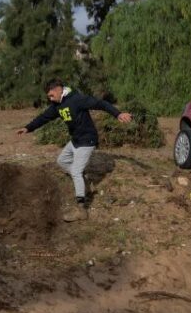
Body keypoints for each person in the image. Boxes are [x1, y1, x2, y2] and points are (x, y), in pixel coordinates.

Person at [16, 79, 132, 222]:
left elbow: (100, 103)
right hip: (76, 140)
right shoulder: (57, 105)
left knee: (76, 171)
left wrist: (118, 114)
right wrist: (28, 128)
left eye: (52, 95)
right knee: (62, 161)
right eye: (49, 96)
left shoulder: (77, 99)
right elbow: (44, 117)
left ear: (59, 89)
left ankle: (81, 209)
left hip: (87, 140)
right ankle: (84, 183)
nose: (50, 98)